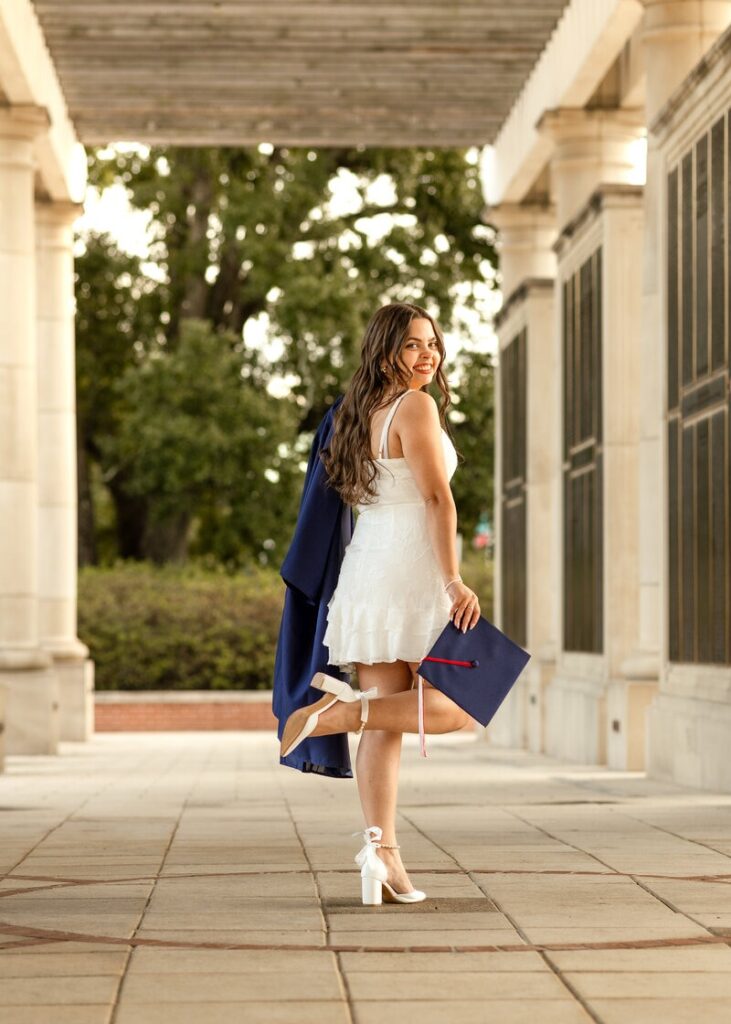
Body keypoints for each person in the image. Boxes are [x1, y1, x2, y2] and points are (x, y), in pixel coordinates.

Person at [279, 301, 480, 904]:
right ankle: (338, 715)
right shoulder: (415, 406)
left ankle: (382, 855)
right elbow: (437, 499)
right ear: (385, 349)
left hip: (368, 570)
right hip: (411, 569)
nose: (427, 356)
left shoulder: (352, 413)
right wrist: (453, 580)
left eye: (432, 344)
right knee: (461, 707)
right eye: (413, 344)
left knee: (385, 720)